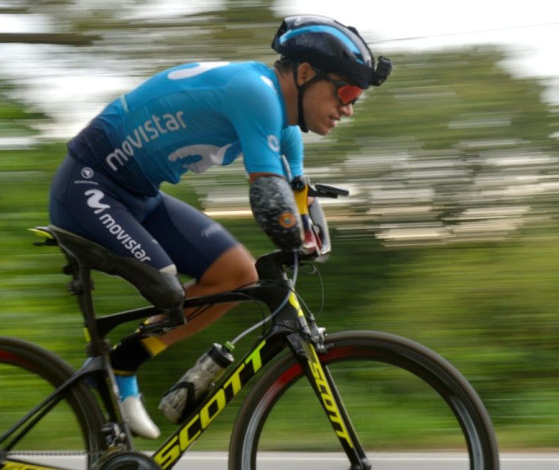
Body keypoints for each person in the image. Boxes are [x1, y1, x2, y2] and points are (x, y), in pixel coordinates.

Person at [49, 15, 391, 439]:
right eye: (347, 90)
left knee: (238, 275)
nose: (349, 107)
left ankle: (123, 364)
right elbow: (270, 202)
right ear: (305, 73)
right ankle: (99, 384)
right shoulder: (256, 93)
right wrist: (294, 233)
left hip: (140, 195)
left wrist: (311, 235)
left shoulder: (286, 130)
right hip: (88, 185)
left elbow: (298, 199)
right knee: (166, 286)